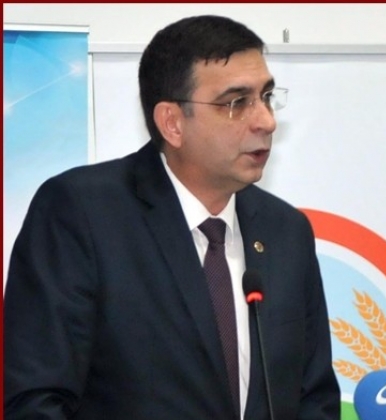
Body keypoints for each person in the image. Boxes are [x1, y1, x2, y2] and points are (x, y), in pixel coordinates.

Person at [4, 15, 340, 420]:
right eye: (237, 103)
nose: (266, 121)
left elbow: (315, 399)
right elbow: (35, 400)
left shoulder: (286, 231)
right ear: (172, 123)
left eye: (266, 96)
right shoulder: (81, 214)